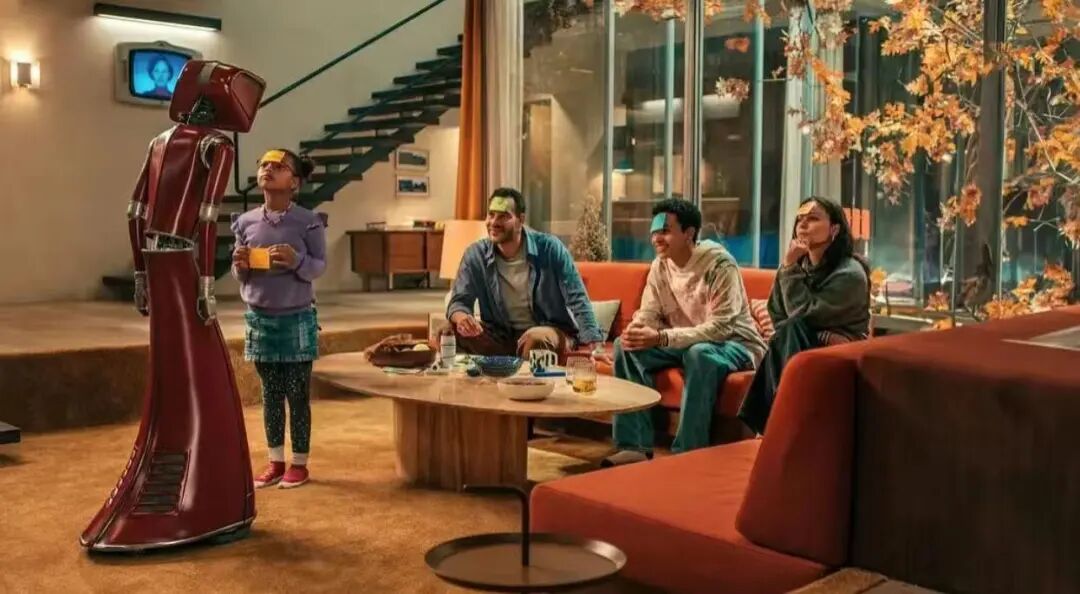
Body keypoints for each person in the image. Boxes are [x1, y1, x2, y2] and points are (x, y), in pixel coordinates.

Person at [600, 199, 767, 466]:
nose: (656, 238)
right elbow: (649, 312)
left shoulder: (720, 265)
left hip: (735, 343)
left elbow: (721, 327)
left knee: (699, 354)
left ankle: (687, 454)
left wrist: (662, 337)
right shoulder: (660, 265)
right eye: (654, 231)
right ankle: (634, 446)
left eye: (665, 231)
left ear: (689, 233)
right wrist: (635, 331)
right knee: (625, 346)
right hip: (686, 342)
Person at [232, 148, 327, 489]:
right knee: (270, 394)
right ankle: (275, 461)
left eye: (279, 166)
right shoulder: (245, 222)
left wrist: (297, 260)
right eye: (264, 164)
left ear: (295, 183)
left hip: (297, 319)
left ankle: (299, 463)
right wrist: (239, 265)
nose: (268, 168)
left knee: (297, 394)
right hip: (259, 320)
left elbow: (319, 266)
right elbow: (241, 275)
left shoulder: (309, 221)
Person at [737, 196, 871, 435]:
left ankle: (773, 424)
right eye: (800, 219)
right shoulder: (796, 266)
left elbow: (806, 315)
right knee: (788, 332)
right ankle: (782, 421)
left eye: (813, 219)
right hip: (801, 340)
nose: (803, 225)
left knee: (790, 332)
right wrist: (789, 268)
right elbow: (778, 314)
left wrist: (789, 269)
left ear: (834, 229)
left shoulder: (850, 273)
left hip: (844, 349)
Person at [447, 187, 604, 357]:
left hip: (548, 331)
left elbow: (577, 297)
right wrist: (462, 319)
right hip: (500, 336)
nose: (494, 222)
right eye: (491, 215)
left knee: (536, 338)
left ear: (520, 220)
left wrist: (595, 346)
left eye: (503, 216)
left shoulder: (550, 248)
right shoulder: (476, 254)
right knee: (447, 331)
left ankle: (526, 373)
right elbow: (459, 302)